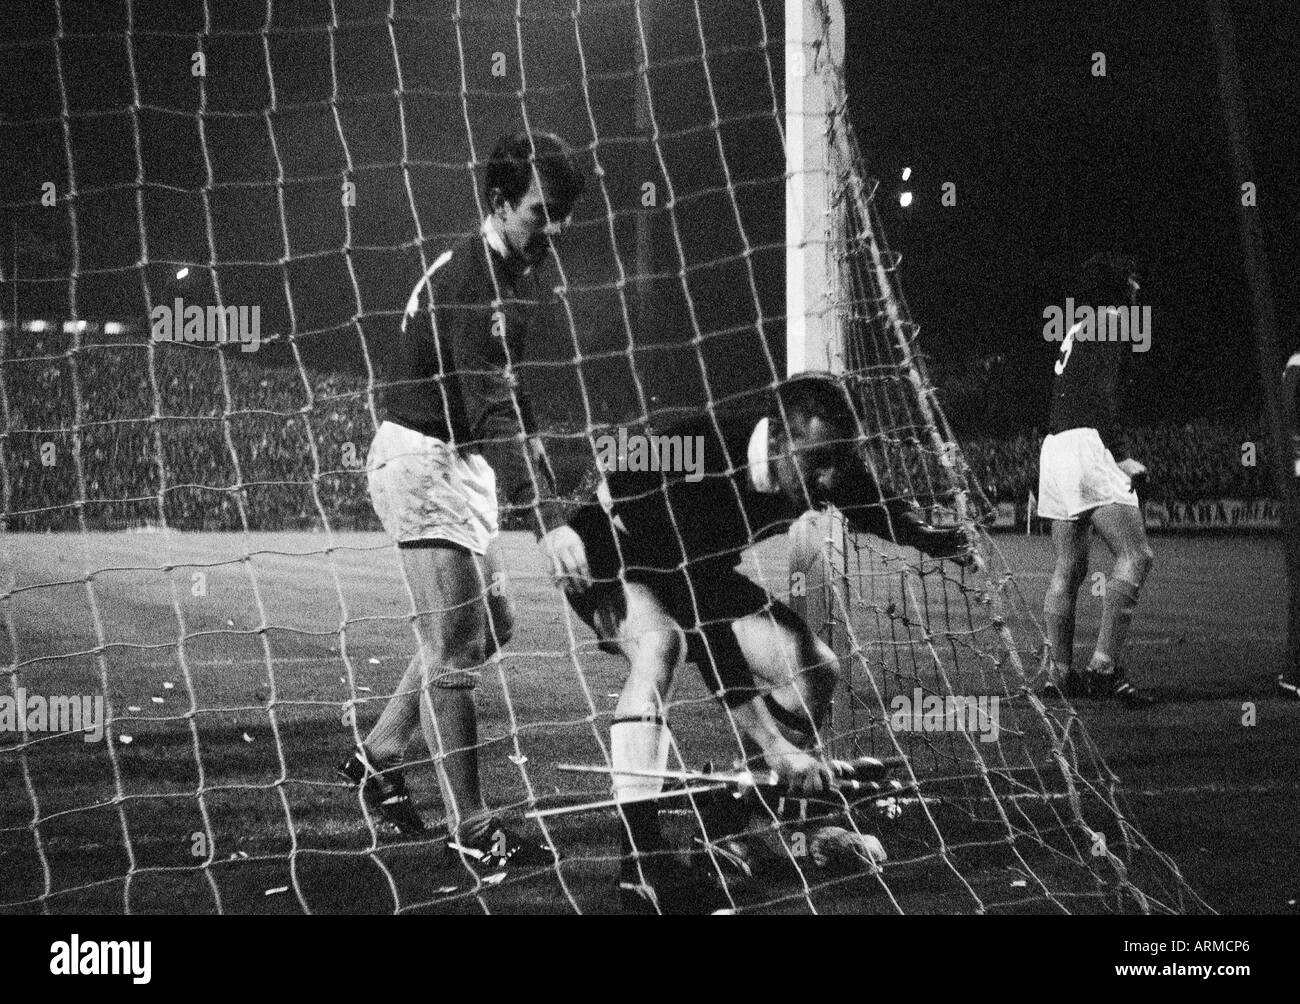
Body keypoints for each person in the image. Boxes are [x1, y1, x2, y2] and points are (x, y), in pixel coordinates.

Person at [553, 372, 971, 911]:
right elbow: (703, 621)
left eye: (839, 461)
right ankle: (641, 862)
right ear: (777, 440)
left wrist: (929, 537)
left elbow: (869, 502)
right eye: (819, 462)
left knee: (815, 666)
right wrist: (774, 742)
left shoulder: (820, 461)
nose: (829, 479)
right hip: (611, 557)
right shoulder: (703, 456)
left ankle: (731, 820)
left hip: (695, 568)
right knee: (663, 643)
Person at [337, 129, 589, 871]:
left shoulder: (505, 268)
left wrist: (538, 453)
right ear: (500, 202)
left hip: (454, 461)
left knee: (493, 627)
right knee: (455, 651)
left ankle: (382, 753)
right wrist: (544, 519)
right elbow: (488, 406)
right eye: (543, 211)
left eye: (565, 211)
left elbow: (505, 388)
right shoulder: (478, 279)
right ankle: (474, 828)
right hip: (427, 462)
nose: (557, 227)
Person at [1037, 253, 1155, 707]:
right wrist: (1121, 455)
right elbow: (1104, 392)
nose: (1137, 288)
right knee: (1136, 554)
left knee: (1069, 568)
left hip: (1056, 446)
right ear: (1118, 286)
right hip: (1088, 443)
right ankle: (1104, 668)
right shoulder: (1114, 319)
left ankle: (1058, 674)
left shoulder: (1077, 324)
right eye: (1131, 279)